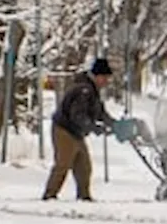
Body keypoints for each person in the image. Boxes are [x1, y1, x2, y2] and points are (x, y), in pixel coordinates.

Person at [42, 58, 115, 201]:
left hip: (76, 132)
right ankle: (50, 195)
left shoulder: (91, 89)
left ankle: (84, 196)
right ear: (98, 76)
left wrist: (113, 124)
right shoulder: (83, 90)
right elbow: (78, 116)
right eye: (105, 78)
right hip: (64, 129)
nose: (107, 81)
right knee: (63, 163)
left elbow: (99, 112)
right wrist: (94, 128)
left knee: (84, 165)